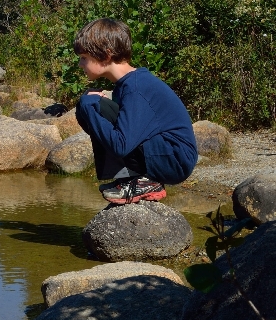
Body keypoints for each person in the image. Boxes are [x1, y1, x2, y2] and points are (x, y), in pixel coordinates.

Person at [73, 18, 198, 204]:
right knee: (94, 107)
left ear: (106, 55)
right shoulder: (126, 85)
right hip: (164, 153)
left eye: (84, 58)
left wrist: (88, 105)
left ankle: (147, 182)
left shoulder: (136, 87)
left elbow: (120, 145)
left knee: (90, 106)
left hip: (175, 161)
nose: (81, 64)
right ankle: (131, 178)